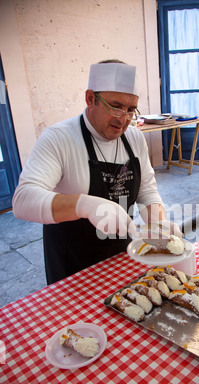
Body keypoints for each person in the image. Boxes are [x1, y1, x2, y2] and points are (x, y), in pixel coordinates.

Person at [13, 60, 181, 284]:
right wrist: (84, 205)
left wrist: (158, 224)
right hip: (72, 264)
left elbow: (147, 190)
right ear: (90, 98)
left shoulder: (134, 138)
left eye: (131, 109)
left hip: (122, 255)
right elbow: (23, 200)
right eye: (116, 106)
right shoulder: (59, 138)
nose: (123, 118)